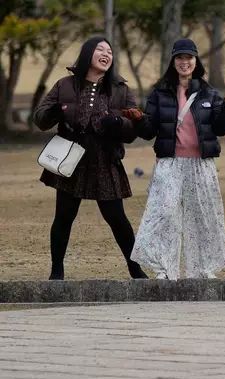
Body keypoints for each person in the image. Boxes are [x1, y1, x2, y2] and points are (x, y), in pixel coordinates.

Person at [33, 36, 148, 280]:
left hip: (105, 159)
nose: (107, 54)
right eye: (100, 49)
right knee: (64, 216)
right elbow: (40, 118)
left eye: (110, 51)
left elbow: (134, 126)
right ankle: (56, 272)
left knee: (117, 218)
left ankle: (136, 271)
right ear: (88, 54)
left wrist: (118, 122)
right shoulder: (64, 84)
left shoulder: (120, 88)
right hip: (71, 160)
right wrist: (56, 112)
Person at [123, 38, 225, 280]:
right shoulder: (160, 93)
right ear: (173, 62)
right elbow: (149, 130)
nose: (185, 62)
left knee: (204, 215)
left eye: (189, 58)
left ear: (196, 61)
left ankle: (204, 269)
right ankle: (164, 268)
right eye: (180, 58)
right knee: (164, 213)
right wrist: (138, 118)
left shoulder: (208, 92)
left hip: (201, 163)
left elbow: (221, 128)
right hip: (170, 162)